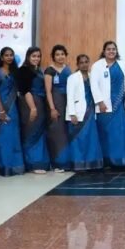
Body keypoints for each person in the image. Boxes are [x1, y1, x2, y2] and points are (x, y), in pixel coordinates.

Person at [91, 41, 125, 167]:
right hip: (105, 106)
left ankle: (122, 160)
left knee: (121, 133)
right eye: (108, 49)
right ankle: (108, 161)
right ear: (104, 51)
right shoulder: (97, 66)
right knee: (106, 134)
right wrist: (100, 102)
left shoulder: (122, 65)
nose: (111, 51)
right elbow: (94, 85)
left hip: (119, 105)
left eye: (113, 49)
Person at [65, 54, 105, 171]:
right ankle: (78, 164)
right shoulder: (73, 78)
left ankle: (91, 163)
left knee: (90, 139)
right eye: (81, 62)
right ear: (77, 64)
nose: (84, 64)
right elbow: (70, 96)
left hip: (90, 112)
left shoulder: (92, 76)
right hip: (78, 112)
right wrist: (72, 114)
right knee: (78, 139)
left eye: (86, 62)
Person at [15, 47, 50, 174]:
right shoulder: (24, 70)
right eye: (33, 56)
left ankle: (41, 162)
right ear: (28, 57)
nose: (36, 58)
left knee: (39, 132)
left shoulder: (39, 70)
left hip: (41, 103)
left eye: (38, 56)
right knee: (31, 132)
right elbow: (25, 91)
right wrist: (33, 108)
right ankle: (31, 164)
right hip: (30, 104)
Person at [0, 47, 25, 176]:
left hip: (13, 108)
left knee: (13, 136)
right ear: (1, 57)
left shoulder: (16, 72)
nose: (9, 57)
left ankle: (15, 166)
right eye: (6, 55)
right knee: (2, 137)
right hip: (0, 106)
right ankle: (2, 166)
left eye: (11, 55)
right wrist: (1, 110)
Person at [44, 44, 72, 172]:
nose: (60, 57)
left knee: (66, 132)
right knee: (57, 132)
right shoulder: (49, 70)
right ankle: (57, 163)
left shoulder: (68, 69)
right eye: (57, 54)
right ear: (53, 56)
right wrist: (52, 109)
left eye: (62, 54)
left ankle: (67, 161)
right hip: (55, 102)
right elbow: (48, 91)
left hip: (68, 103)